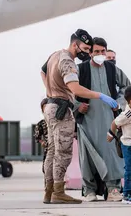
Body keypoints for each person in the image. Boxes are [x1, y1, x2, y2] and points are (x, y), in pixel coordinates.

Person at [40, 29, 118, 204]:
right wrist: (100, 95)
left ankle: (49, 191)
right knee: (63, 153)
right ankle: (58, 192)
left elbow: (43, 71)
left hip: (50, 106)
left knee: (52, 151)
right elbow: (75, 89)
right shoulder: (67, 61)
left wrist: (50, 90)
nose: (86, 52)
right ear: (75, 44)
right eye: (84, 48)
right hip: (61, 109)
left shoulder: (55, 55)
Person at [74, 37, 131, 202]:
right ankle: (89, 190)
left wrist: (118, 103)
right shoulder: (80, 69)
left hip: (108, 119)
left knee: (111, 154)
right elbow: (67, 89)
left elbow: (127, 87)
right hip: (87, 121)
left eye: (103, 51)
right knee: (88, 156)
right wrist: (78, 105)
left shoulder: (112, 69)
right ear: (90, 52)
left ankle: (113, 189)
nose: (100, 54)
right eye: (96, 51)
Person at [108, 85, 131, 205]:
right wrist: (111, 134)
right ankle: (127, 194)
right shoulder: (126, 115)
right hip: (129, 146)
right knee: (130, 170)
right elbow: (114, 123)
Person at [35, 99, 49, 177]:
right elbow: (37, 137)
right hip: (48, 149)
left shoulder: (59, 122)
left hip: (58, 149)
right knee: (46, 169)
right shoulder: (41, 124)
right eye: (44, 107)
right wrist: (42, 142)